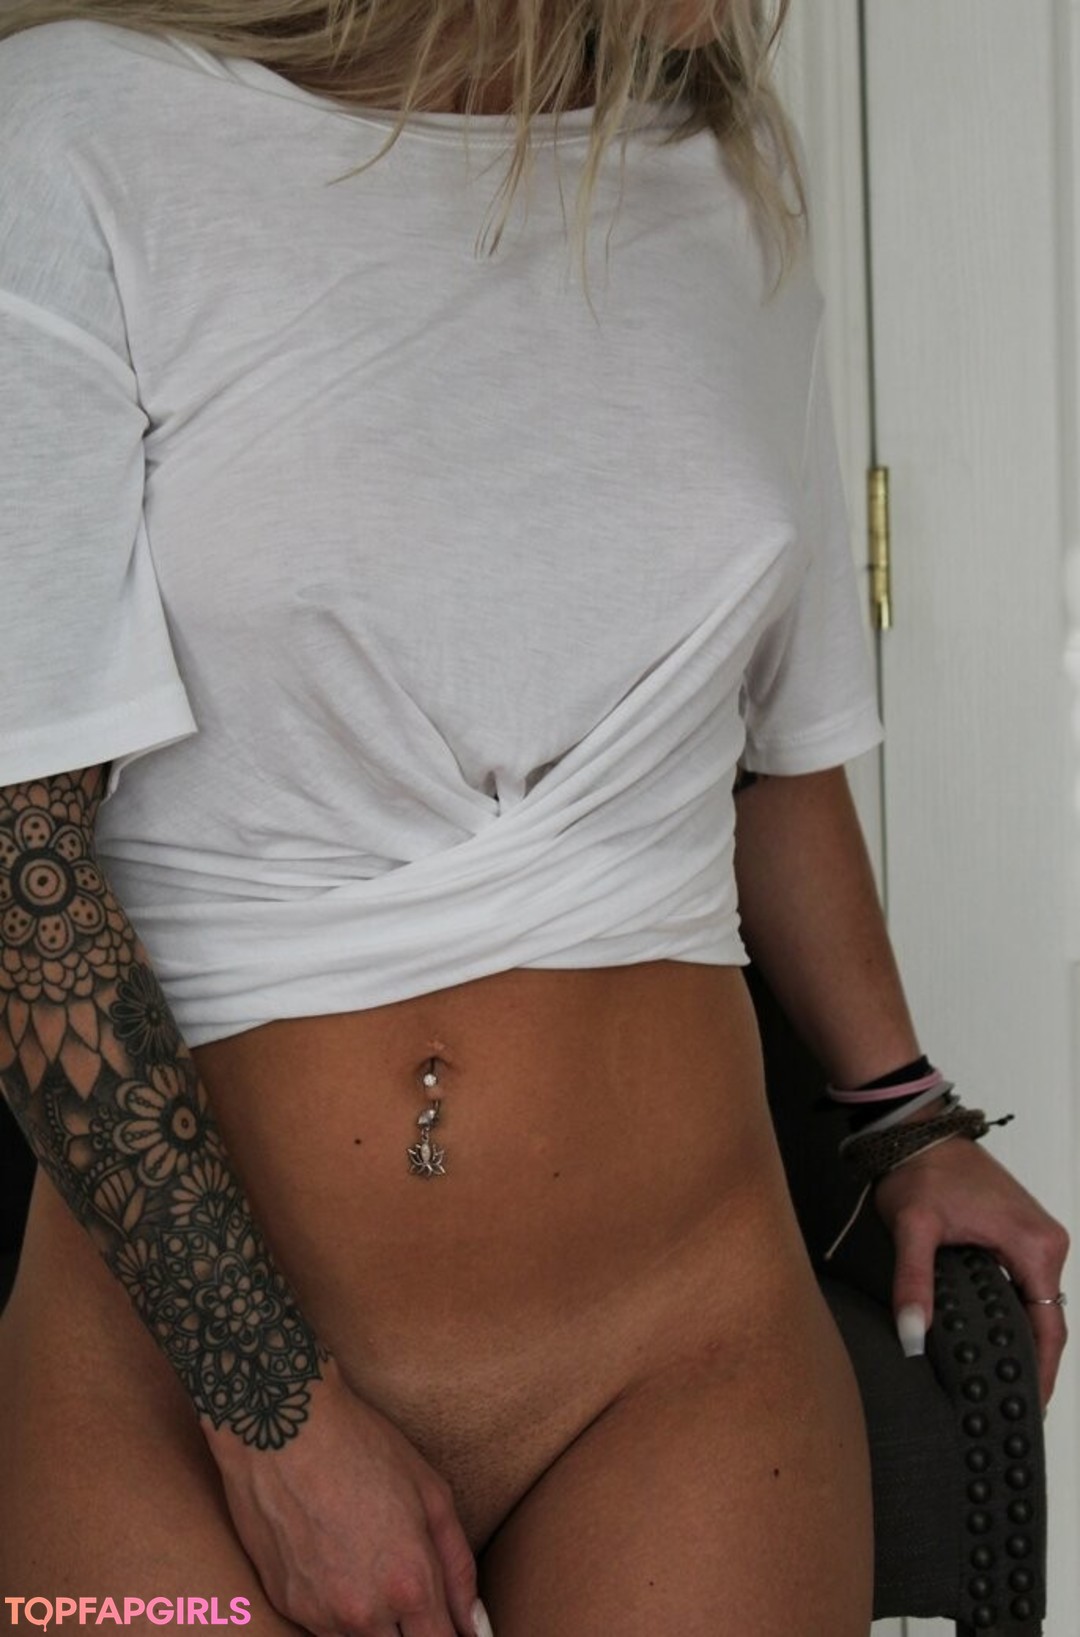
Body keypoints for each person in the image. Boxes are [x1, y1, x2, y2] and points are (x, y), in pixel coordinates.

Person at [0, 3, 1069, 1633]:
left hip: (677, 1356)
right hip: (171, 1387)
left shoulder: (724, 188)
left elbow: (774, 759)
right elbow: (21, 862)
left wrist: (908, 1113)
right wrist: (275, 1419)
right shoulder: (74, 135)